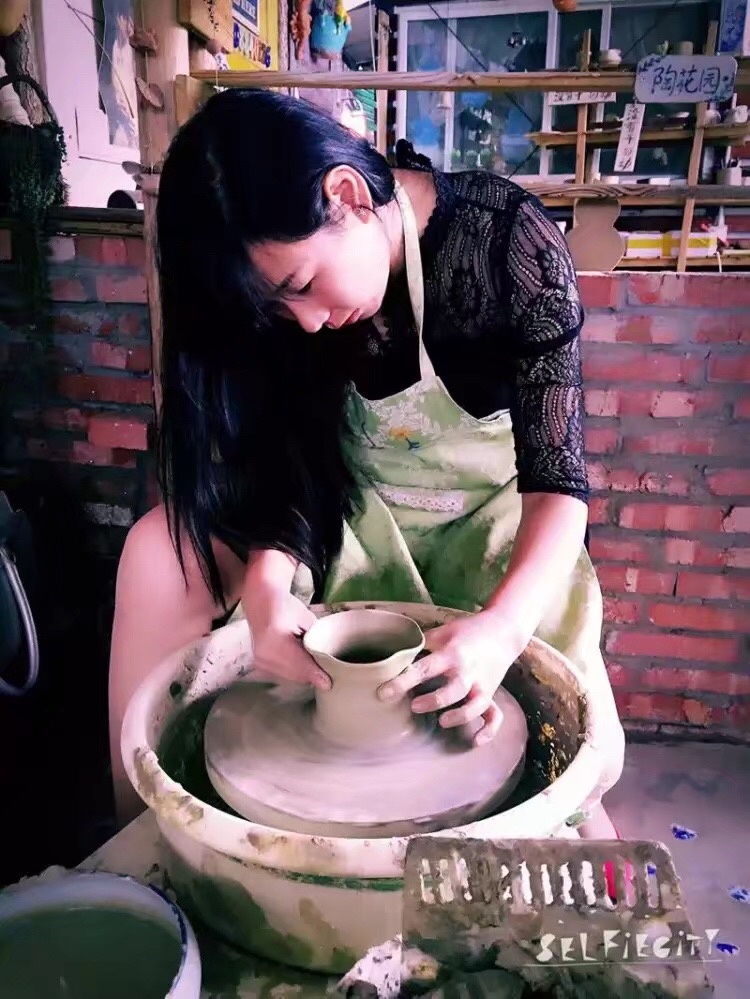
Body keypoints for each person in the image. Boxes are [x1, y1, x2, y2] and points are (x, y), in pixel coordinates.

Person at [109, 88, 625, 833]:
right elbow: (298, 457)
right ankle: (142, 843)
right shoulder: (294, 303)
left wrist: (503, 629)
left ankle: (573, 832)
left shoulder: (510, 241)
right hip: (356, 512)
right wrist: (267, 588)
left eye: (300, 286)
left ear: (347, 195)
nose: (307, 321)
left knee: (567, 792)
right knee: (154, 554)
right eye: (280, 307)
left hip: (496, 525)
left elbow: (560, 482)